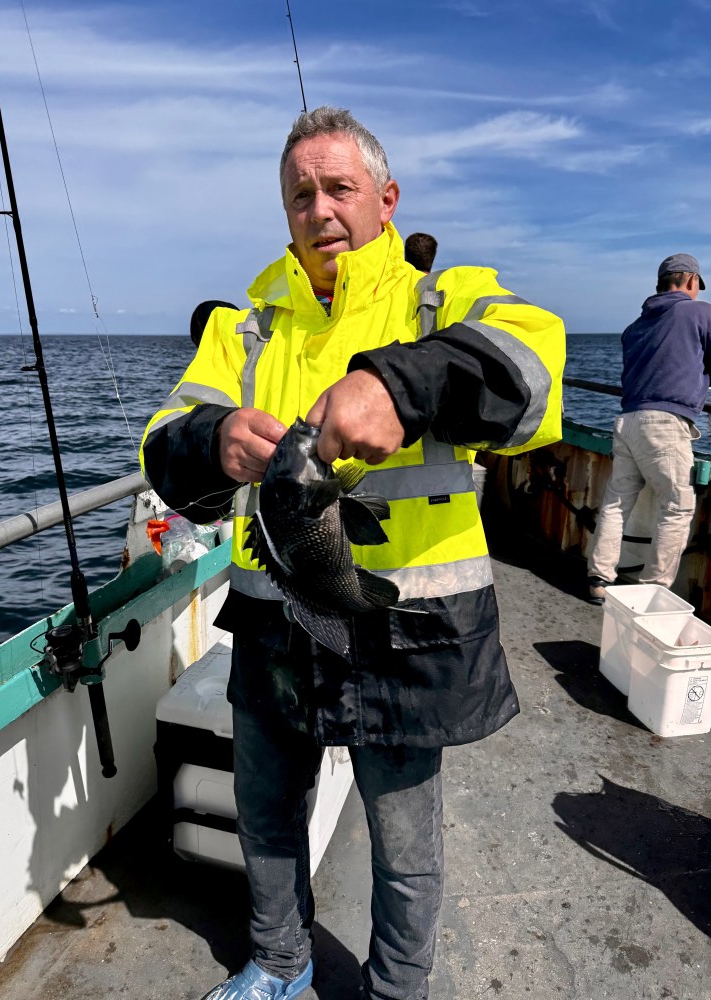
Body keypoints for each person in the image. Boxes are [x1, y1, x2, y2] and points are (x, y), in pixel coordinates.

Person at [140, 106, 565, 1000]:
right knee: (265, 813)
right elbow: (163, 439)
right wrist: (212, 439)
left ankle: (395, 991)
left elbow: (535, 363)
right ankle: (280, 962)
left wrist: (404, 382)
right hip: (271, 619)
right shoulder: (243, 326)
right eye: (301, 194)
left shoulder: (442, 298)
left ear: (385, 197)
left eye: (339, 188)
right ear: (284, 210)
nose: (320, 209)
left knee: (405, 843)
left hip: (407, 623)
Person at [587, 253, 711, 605]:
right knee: (677, 506)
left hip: (627, 421)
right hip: (665, 423)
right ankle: (652, 589)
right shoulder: (700, 312)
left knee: (616, 503)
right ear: (690, 281)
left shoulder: (635, 327)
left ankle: (599, 579)